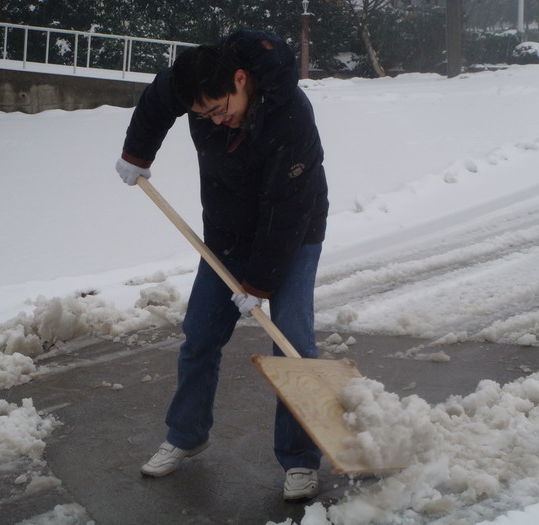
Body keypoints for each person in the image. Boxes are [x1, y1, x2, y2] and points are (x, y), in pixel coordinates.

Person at [114, 30, 328, 502]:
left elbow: (286, 208)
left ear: (241, 78)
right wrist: (137, 153)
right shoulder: (196, 80)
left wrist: (260, 284)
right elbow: (157, 99)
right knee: (200, 336)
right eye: (204, 115)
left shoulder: (289, 114)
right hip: (227, 232)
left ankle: (299, 460)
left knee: (291, 341)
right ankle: (186, 435)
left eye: (220, 108)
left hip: (292, 232)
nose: (216, 120)